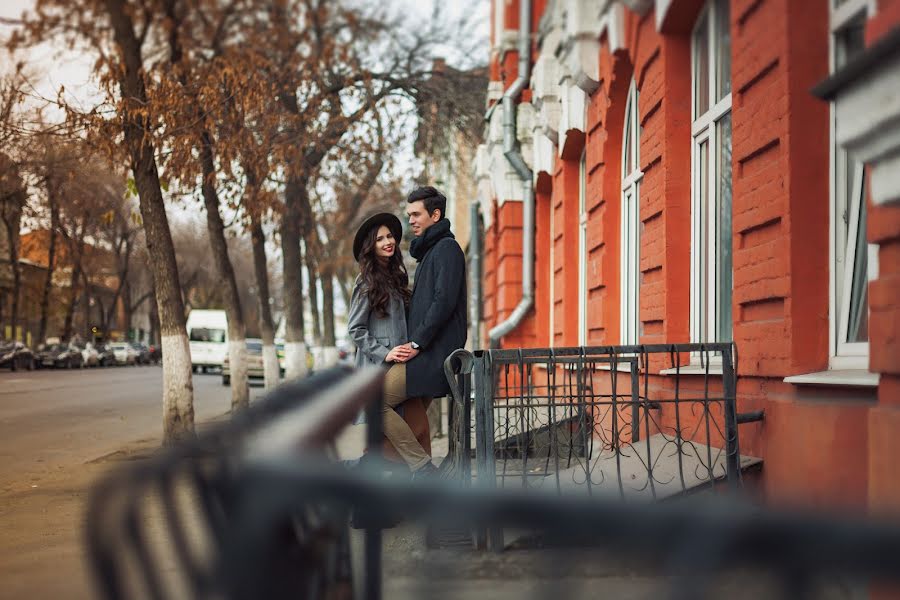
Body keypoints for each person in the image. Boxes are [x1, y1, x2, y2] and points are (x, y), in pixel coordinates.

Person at [347, 212, 433, 474]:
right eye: (380, 238)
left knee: (413, 424)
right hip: (378, 366)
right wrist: (386, 352)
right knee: (382, 417)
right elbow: (355, 328)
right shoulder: (366, 281)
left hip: (404, 363)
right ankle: (421, 471)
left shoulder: (396, 277)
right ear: (370, 246)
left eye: (390, 236)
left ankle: (404, 481)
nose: (388, 241)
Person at [399, 186, 467, 479]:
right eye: (409, 215)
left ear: (435, 214)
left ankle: (422, 475)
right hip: (425, 349)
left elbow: (443, 301)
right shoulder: (430, 251)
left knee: (395, 406)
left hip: (435, 350)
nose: (411, 220)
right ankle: (421, 481)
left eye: (416, 214)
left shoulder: (447, 249)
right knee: (408, 417)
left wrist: (417, 341)